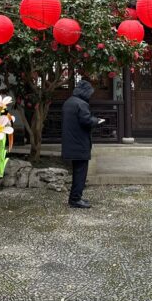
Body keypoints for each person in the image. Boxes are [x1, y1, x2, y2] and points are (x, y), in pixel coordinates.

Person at [61, 79, 102, 209]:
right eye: (89, 93)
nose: (90, 96)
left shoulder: (68, 102)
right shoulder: (81, 104)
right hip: (80, 144)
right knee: (80, 174)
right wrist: (97, 120)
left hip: (71, 143)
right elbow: (86, 121)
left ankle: (74, 197)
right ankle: (75, 199)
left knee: (76, 172)